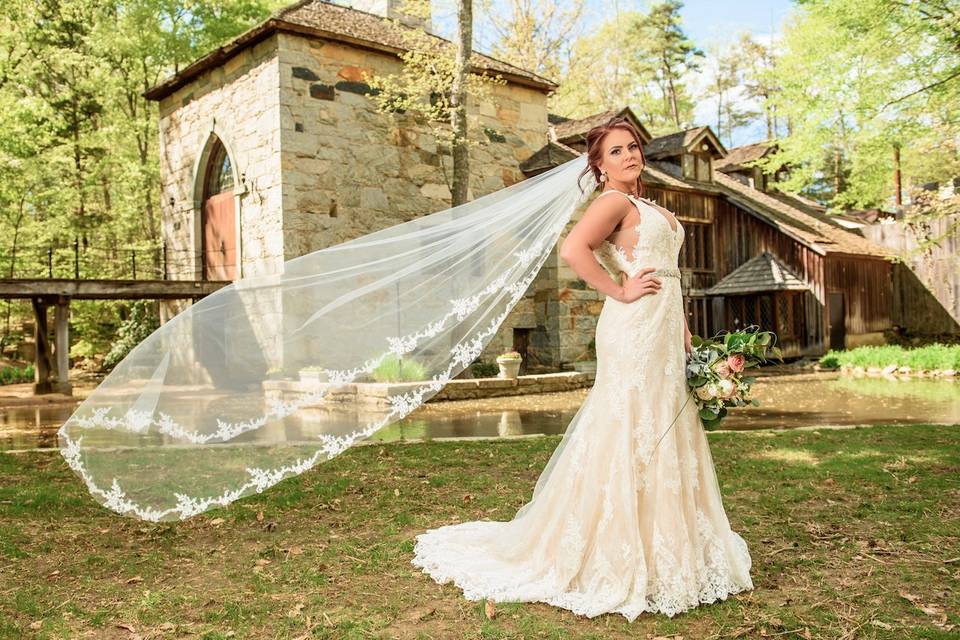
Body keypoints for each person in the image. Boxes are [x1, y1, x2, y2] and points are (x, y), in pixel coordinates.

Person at [411, 117, 754, 620]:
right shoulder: (612, 201)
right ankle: (614, 546)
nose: (629, 155)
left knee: (665, 420)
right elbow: (573, 249)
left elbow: (670, 275)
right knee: (627, 423)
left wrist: (685, 339)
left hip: (663, 328)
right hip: (634, 327)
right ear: (599, 165)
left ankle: (670, 541)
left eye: (633, 147)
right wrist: (619, 289)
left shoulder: (647, 204)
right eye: (616, 151)